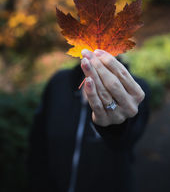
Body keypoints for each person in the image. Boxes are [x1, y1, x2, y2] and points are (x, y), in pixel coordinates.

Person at [28, 48, 151, 192]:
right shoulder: (58, 82)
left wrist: (116, 126)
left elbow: (126, 140)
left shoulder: (135, 90)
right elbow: (37, 144)